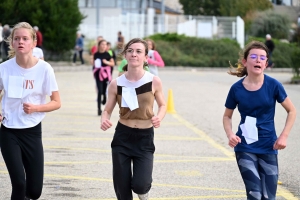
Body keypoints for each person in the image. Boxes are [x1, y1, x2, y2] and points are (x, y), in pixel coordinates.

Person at [223, 41, 296, 200]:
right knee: (255, 194)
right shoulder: (236, 89)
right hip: (244, 146)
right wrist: (230, 135)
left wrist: (284, 136)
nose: (258, 60)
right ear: (245, 61)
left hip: (268, 145)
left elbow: (292, 111)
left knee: (268, 197)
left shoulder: (274, 85)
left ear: (266, 63)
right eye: (254, 56)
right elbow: (227, 116)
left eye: (262, 58)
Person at [0, 22, 61, 200]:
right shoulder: (4, 68)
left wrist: (36, 108)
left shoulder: (44, 69)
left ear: (33, 43)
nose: (21, 41)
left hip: (32, 131)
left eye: (25, 38)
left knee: (34, 191)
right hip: (8, 131)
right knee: (19, 182)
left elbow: (56, 102)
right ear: (11, 43)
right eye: (16, 38)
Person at [101, 38, 166, 200]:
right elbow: (107, 109)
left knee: (140, 184)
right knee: (122, 190)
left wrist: (159, 117)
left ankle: (144, 193)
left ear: (145, 57)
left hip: (144, 138)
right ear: (125, 55)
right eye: (130, 51)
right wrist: (104, 118)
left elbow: (163, 105)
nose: (133, 54)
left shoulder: (154, 81)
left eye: (138, 51)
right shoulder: (116, 83)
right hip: (122, 136)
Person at [93, 39, 114, 116]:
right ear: (99, 45)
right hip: (98, 74)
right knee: (99, 91)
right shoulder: (96, 54)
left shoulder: (108, 54)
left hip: (105, 74)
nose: (104, 46)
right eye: (102, 44)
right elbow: (93, 63)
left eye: (105, 44)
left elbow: (112, 63)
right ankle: (99, 109)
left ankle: (104, 97)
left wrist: (106, 62)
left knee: (104, 90)